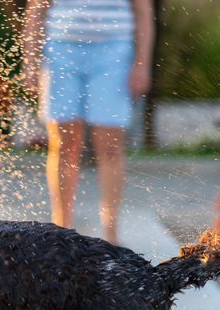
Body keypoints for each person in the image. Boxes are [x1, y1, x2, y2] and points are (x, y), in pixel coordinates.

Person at [21, 0, 154, 244]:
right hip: (61, 50)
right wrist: (30, 60)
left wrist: (142, 63)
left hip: (113, 52)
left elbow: (143, 9)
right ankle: (61, 228)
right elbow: (38, 7)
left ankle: (111, 234)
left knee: (110, 146)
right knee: (63, 144)